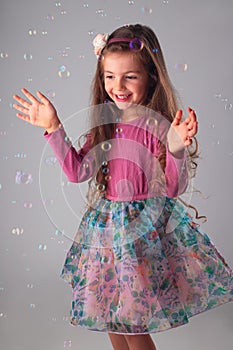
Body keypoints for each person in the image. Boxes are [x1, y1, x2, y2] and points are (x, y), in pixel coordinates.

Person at [13, 24, 233, 350]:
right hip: (106, 235)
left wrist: (174, 148)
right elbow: (76, 172)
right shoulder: (105, 128)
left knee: (132, 324)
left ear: (150, 77)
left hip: (140, 237)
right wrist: (53, 128)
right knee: (111, 318)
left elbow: (173, 187)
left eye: (130, 76)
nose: (118, 86)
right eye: (110, 76)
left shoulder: (157, 126)